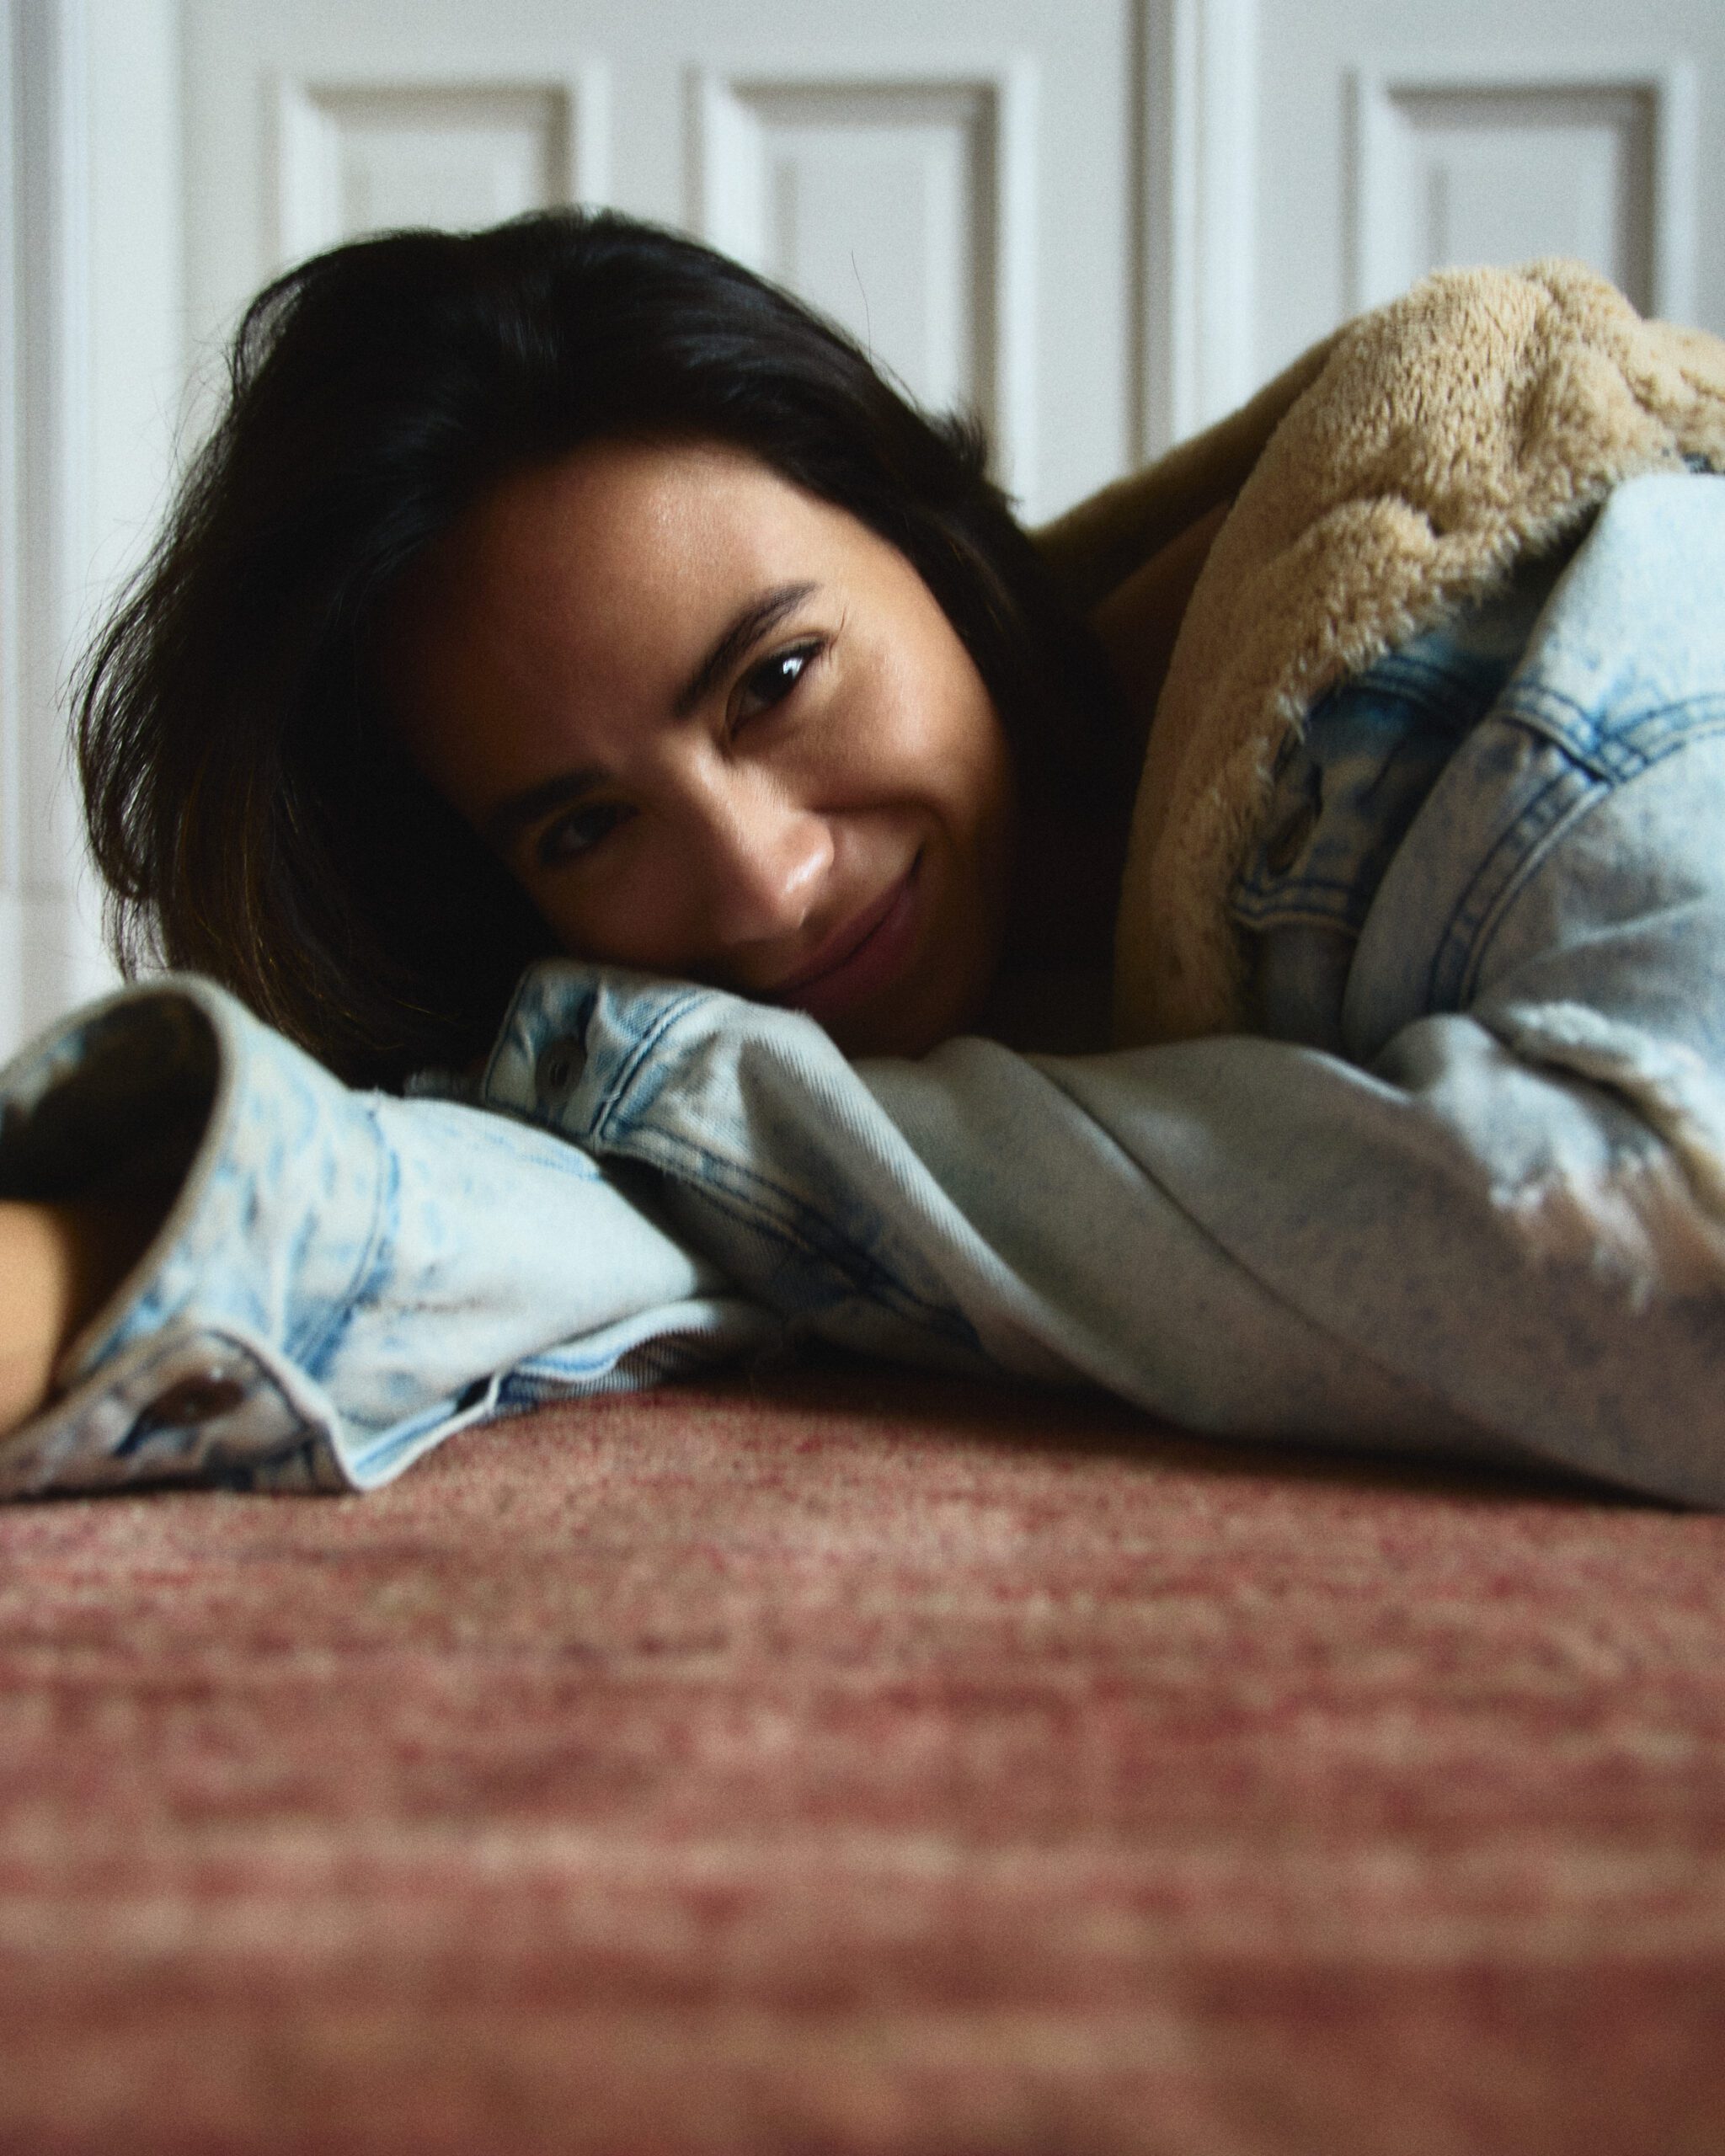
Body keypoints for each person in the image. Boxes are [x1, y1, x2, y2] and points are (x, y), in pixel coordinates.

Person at [2, 210, 1723, 1504]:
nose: (764, 884)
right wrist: (92, 1258)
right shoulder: (864, 1053)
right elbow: (629, 1182)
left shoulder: (1518, 655)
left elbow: (1672, 1276)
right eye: (586, 826)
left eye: (775, 679)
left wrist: (723, 1124)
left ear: (925, 528)